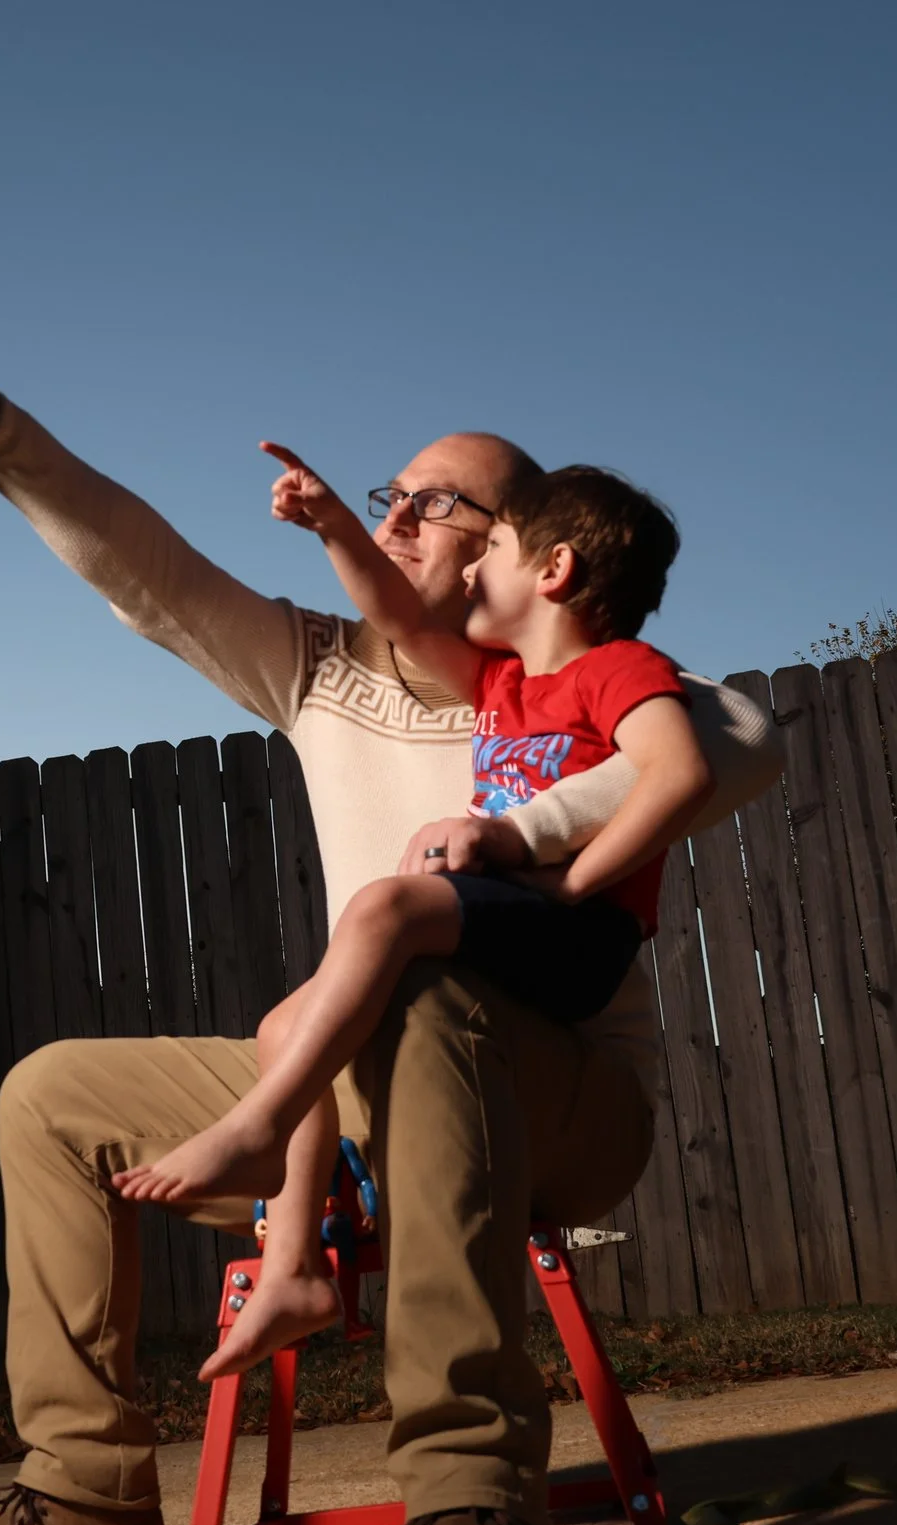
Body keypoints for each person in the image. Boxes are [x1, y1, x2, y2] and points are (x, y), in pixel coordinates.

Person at [0, 296, 785, 1525]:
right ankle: (89, 1497)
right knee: (51, 1095)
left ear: (521, 550)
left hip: (562, 1100)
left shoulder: (576, 684)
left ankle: (468, 1499)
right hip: (349, 1086)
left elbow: (741, 739)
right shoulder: (319, 667)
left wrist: (523, 833)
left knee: (435, 991)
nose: (393, 510)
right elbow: (141, 565)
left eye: (434, 499)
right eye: (388, 490)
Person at [115, 446, 712, 1390]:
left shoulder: (618, 670)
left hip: (576, 938)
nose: (471, 567)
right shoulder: (505, 686)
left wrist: (568, 879)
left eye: (497, 546)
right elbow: (393, 614)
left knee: (386, 904)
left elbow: (683, 771)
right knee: (286, 1023)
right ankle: (294, 1272)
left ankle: (260, 1128)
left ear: (553, 571)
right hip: (520, 921)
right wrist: (332, 527)